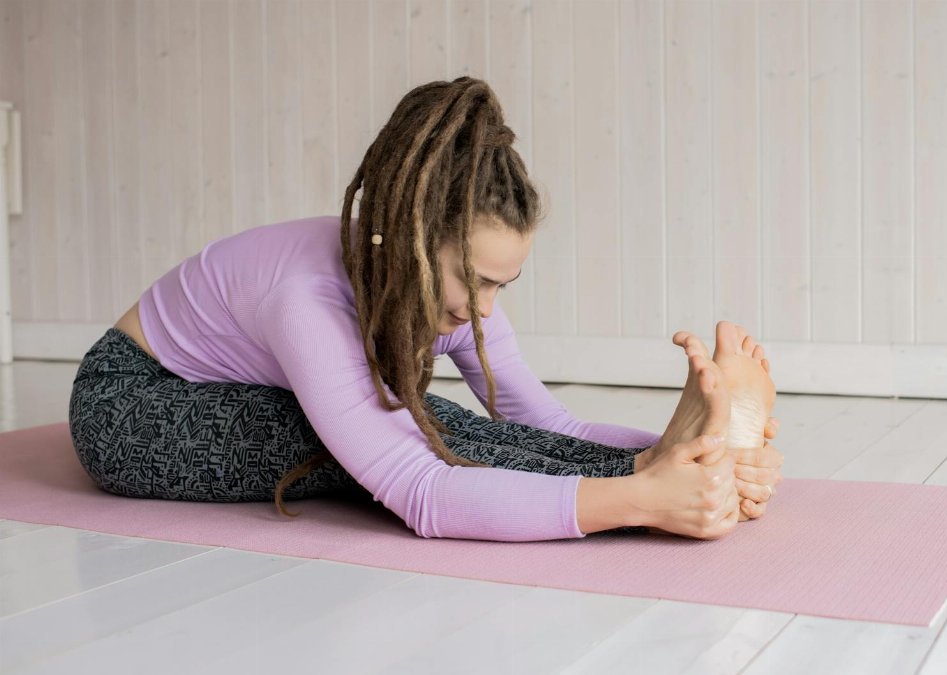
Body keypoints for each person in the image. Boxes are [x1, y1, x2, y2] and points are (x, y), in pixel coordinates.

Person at [67, 77, 782, 542]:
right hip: (133, 405)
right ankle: (648, 473)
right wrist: (643, 502)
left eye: (504, 284)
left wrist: (670, 455)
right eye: (472, 279)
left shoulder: (462, 299)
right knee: (404, 431)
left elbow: (545, 422)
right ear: (410, 241)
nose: (483, 309)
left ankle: (663, 456)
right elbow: (423, 492)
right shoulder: (307, 301)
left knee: (421, 420)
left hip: (222, 388)